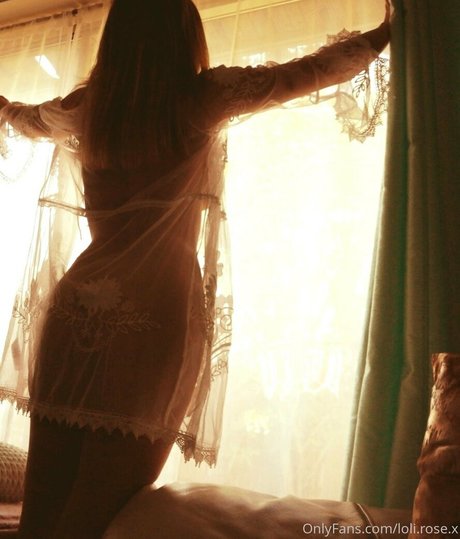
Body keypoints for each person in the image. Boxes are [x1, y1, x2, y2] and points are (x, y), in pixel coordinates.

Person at [0, 1, 390, 537]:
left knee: (42, 514)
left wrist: (4, 107)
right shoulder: (200, 99)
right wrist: (388, 31)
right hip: (153, 309)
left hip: (75, 307)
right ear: (184, 36)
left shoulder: (89, 107)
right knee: (97, 516)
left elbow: (24, 118)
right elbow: (308, 73)